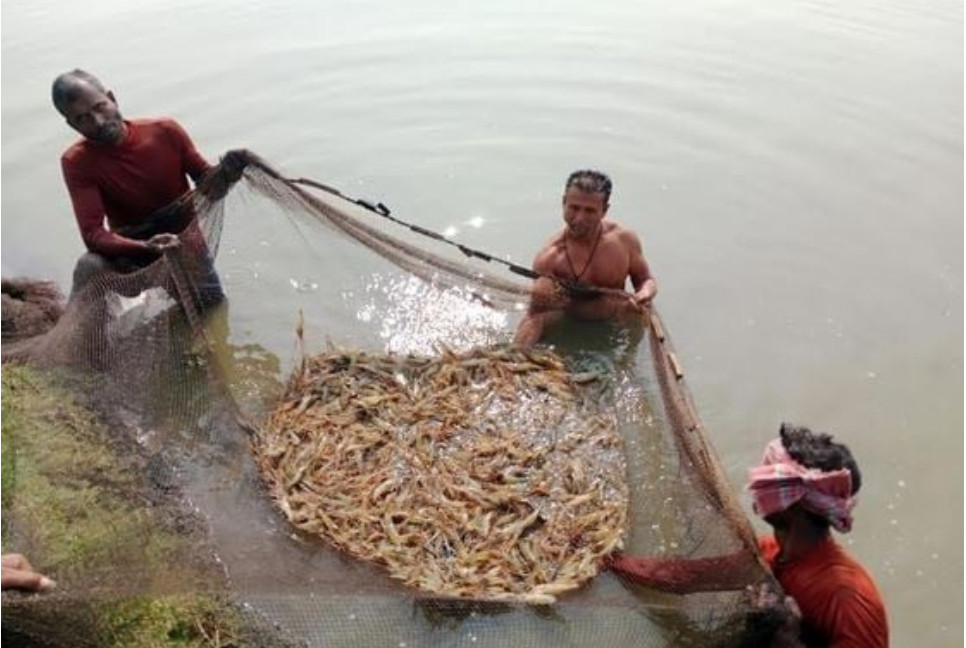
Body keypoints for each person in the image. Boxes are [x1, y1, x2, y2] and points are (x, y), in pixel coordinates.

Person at [608, 423, 889, 648]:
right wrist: (609, 562)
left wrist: (786, 636)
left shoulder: (848, 598)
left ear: (793, 504)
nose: (755, 492)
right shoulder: (767, 554)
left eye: (766, 487)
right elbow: (683, 576)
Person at [52, 69, 249, 300]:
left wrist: (227, 174)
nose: (98, 121)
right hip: (133, 252)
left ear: (112, 98)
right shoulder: (76, 161)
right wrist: (145, 247)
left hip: (182, 244)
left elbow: (209, 189)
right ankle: (95, 328)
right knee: (91, 265)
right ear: (71, 125)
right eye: (82, 118)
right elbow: (93, 234)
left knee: (212, 309)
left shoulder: (165, 131)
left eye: (99, 107)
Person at [513, 169, 657, 348]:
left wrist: (644, 294)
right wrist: (517, 355)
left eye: (590, 211)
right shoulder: (550, 258)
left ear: (604, 210)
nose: (580, 218)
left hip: (614, 325)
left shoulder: (624, 241)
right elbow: (535, 315)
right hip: (570, 324)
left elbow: (645, 279)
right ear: (563, 203)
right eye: (573, 208)